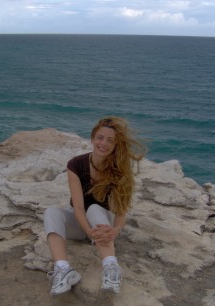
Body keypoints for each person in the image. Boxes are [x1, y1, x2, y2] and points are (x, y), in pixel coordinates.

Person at [43, 116, 146, 296]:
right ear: (92, 138)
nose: (103, 143)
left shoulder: (120, 169)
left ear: (116, 145)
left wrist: (116, 230)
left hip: (101, 225)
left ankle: (111, 267)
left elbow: (121, 210)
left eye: (110, 140)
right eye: (100, 137)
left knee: (95, 208)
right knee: (51, 212)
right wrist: (88, 232)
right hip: (81, 224)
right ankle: (63, 270)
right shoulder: (75, 164)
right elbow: (78, 207)